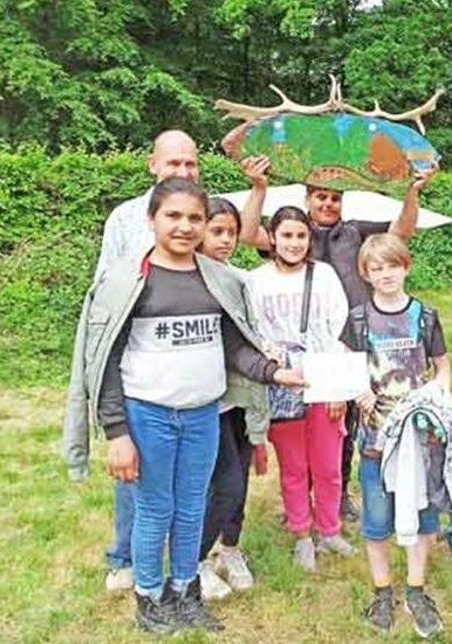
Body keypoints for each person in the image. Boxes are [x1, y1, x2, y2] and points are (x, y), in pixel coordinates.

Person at [63, 177, 302, 634]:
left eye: (195, 217)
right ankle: (149, 596)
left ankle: (185, 591)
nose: (185, 226)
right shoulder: (127, 283)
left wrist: (275, 372)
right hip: (147, 416)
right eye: (173, 216)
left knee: (192, 507)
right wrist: (116, 433)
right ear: (151, 220)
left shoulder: (217, 280)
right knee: (156, 508)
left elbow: (236, 347)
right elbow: (105, 362)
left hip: (202, 416)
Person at [89, 130, 270, 592]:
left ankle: (185, 575)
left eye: (191, 165)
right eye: (174, 165)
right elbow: (108, 304)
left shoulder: (204, 216)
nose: (183, 172)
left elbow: (228, 297)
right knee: (143, 487)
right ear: (153, 165)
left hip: (200, 389)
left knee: (191, 495)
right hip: (146, 385)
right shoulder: (125, 219)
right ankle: (128, 561)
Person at [244, 168, 438, 522]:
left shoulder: (355, 232)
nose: (328, 203)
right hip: (301, 352)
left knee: (343, 422)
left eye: (335, 198)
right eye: (321, 196)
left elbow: (402, 232)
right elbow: (248, 233)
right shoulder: (294, 233)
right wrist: (259, 188)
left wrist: (412, 191)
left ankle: (338, 493)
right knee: (296, 426)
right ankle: (300, 499)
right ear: (307, 199)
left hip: (351, 345)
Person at [340, 233, 452, 639]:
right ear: (366, 275)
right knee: (376, 520)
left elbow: (442, 367)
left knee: (424, 518)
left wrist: (435, 394)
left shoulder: (425, 315)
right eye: (376, 268)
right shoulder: (358, 319)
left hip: (420, 440)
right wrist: (359, 388)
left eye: (392, 265)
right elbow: (346, 367)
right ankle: (383, 592)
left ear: (407, 266)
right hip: (375, 440)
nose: (385, 274)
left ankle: (417, 591)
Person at [249, 206, 357, 571]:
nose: (294, 243)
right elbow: (254, 332)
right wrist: (275, 364)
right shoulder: (256, 281)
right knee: (294, 465)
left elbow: (341, 328)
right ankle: (301, 533)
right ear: (273, 237)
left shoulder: (324, 275)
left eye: (301, 236)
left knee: (328, 464)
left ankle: (329, 529)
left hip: (324, 377)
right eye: (287, 235)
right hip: (281, 380)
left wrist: (338, 386)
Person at [194, 197, 266, 598]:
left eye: (231, 233)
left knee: (241, 476)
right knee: (224, 484)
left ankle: (230, 549)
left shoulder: (239, 278)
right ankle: (195, 560)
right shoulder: (191, 279)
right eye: (216, 231)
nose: (224, 240)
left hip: (243, 394)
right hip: (208, 399)